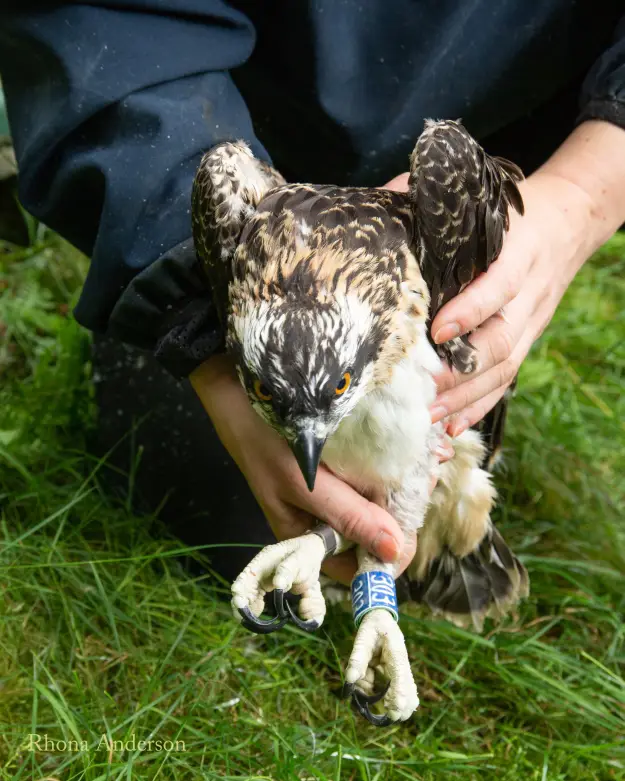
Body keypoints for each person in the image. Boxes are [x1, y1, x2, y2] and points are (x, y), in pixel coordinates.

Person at [1, 2, 624, 586]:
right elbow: (99, 26)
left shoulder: (447, 191)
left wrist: (578, 199)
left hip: (508, 129)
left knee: (377, 512)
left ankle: (427, 535)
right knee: (227, 517)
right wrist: (200, 337)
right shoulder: (229, 204)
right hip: (225, 115)